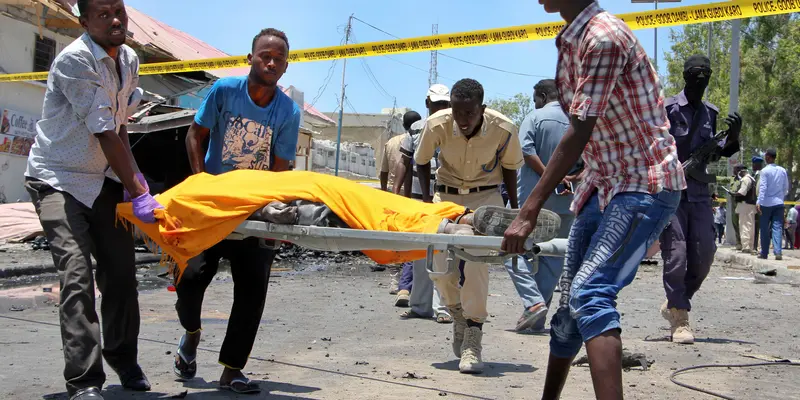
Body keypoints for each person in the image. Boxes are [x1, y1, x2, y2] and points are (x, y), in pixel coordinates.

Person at [502, 1, 685, 398]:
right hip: (604, 183)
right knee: (569, 305)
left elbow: (579, 129)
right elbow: (595, 128)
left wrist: (528, 209)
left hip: (643, 184)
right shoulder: (573, 38)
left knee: (591, 294)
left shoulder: (602, 38)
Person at [23, 0, 157, 398]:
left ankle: (124, 358)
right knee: (77, 277)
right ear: (84, 21)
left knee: (120, 275)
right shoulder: (74, 61)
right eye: (103, 14)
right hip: (56, 177)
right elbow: (103, 131)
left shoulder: (129, 59)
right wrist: (140, 191)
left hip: (101, 179)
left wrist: (133, 183)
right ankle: (84, 382)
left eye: (119, 10)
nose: (115, 20)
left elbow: (120, 127)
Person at [176, 28, 300, 394]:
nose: (271, 62)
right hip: (213, 205)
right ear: (251, 58)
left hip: (255, 209)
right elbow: (193, 135)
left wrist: (272, 212)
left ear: (286, 66)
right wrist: (200, 184)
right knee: (191, 276)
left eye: (279, 58)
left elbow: (280, 168)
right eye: (265, 55)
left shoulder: (288, 111)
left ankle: (233, 369)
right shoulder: (225, 91)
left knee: (252, 289)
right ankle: (192, 334)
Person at [414, 78, 525, 374]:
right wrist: (427, 203)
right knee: (440, 265)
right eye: (457, 113)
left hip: (486, 200)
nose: (463, 121)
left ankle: (473, 335)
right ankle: (457, 316)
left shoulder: (503, 128)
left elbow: (512, 169)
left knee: (476, 263)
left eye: (470, 114)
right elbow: (421, 161)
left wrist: (514, 212)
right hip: (446, 198)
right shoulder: (437, 124)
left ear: (482, 109)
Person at [659, 54, 741, 345]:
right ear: (685, 75)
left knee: (705, 254)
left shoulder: (710, 113)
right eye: (696, 71)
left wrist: (733, 137)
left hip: (699, 193)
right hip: (671, 193)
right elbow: (652, 147)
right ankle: (680, 318)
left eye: (706, 72)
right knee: (677, 254)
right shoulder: (667, 108)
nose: (701, 76)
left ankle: (676, 301)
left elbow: (718, 151)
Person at [504, 79, 582, 333]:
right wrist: (568, 178)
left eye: (535, 97)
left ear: (542, 95)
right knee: (553, 258)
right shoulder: (577, 122)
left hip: (533, 202)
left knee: (509, 249)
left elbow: (527, 151)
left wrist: (552, 176)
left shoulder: (535, 117)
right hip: (565, 202)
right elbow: (590, 161)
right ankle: (537, 316)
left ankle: (533, 302)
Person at [394, 85, 454, 324]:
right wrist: (399, 194)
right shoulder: (417, 129)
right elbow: (404, 163)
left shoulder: (456, 126)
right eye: (436, 103)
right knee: (420, 252)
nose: (440, 108)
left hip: (445, 200)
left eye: (444, 104)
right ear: (427, 103)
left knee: (442, 253)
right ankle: (420, 306)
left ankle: (443, 307)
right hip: (420, 199)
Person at [391, 111, 424, 308]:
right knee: (418, 243)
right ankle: (405, 288)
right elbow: (405, 164)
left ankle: (407, 288)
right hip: (424, 197)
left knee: (419, 244)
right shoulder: (416, 132)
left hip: (436, 197)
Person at [757, 148, 790, 260]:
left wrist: (759, 202)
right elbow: (786, 187)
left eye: (766, 156)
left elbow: (763, 188)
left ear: (768, 157)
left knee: (764, 228)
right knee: (777, 227)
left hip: (766, 204)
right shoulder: (782, 170)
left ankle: (764, 253)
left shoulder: (765, 171)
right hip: (779, 203)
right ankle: (778, 252)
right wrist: (781, 197)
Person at [733, 165, 757, 253]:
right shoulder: (752, 178)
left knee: (744, 226)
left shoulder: (745, 179)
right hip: (751, 205)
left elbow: (742, 192)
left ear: (740, 171)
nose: (735, 172)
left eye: (735, 170)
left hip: (745, 205)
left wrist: (734, 194)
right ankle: (750, 246)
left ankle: (746, 246)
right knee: (750, 226)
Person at [752, 156, 765, 253]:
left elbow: (759, 190)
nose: (752, 166)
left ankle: (759, 247)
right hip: (757, 202)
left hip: (761, 203)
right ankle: (755, 246)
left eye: (754, 164)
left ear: (758, 165)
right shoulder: (756, 174)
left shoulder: (762, 174)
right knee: (756, 225)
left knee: (760, 225)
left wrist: (758, 202)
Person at [729, 169, 743, 249]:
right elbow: (723, 179)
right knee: (734, 222)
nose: (733, 171)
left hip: (740, 202)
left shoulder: (743, 179)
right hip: (733, 203)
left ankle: (743, 242)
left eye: (735, 169)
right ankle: (738, 242)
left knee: (741, 223)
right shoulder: (732, 178)